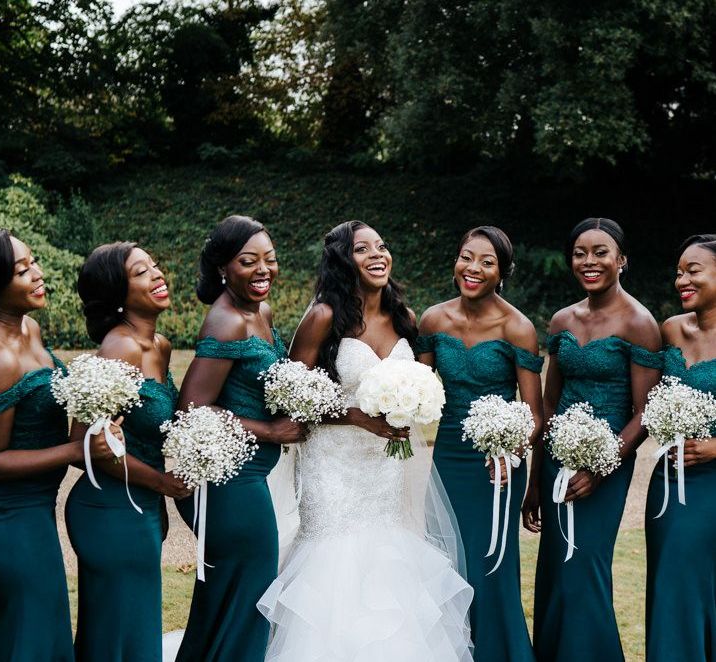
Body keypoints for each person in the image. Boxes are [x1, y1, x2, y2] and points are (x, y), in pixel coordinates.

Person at [257, 220, 474, 661]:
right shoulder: (323, 317)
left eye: (381, 245)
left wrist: (409, 407)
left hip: (383, 466)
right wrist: (358, 417)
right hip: (333, 465)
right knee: (334, 559)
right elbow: (291, 398)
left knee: (385, 556)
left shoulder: (404, 317)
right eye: (362, 249)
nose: (377, 255)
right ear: (343, 260)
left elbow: (415, 380)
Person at [525, 218, 662, 662]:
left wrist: (601, 465)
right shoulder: (562, 319)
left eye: (601, 252)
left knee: (584, 568)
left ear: (621, 260)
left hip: (607, 464)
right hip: (554, 462)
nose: (589, 261)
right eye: (580, 252)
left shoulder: (640, 324)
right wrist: (533, 483)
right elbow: (547, 402)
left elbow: (645, 412)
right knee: (555, 571)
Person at [169, 216, 306, 662]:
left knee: (227, 600)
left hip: (251, 476)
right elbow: (190, 408)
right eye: (249, 261)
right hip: (230, 480)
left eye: (270, 259)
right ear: (223, 268)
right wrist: (270, 429)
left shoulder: (259, 312)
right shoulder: (226, 321)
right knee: (249, 598)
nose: (263, 269)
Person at [417, 226, 543, 661]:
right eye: (467, 257)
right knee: (446, 562)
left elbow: (534, 413)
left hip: (498, 464)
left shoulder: (518, 327)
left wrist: (511, 454)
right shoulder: (433, 320)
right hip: (448, 456)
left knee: (492, 568)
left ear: (502, 272)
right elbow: (416, 388)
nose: (473, 269)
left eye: (487, 262)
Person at [66, 242, 190, 662]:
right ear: (117, 293)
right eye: (141, 272)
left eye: (155, 265)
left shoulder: (161, 345)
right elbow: (83, 444)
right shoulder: (121, 347)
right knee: (119, 633)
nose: (157, 274)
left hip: (142, 503)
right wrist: (162, 483)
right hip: (109, 509)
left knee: (132, 631)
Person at [0, 229, 112, 660]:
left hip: (39, 511)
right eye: (22, 270)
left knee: (35, 630)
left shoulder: (31, 328)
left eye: (34, 262)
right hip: (8, 518)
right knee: (33, 635)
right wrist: (74, 452)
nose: (38, 274)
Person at [645, 234, 716, 662]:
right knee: (667, 583)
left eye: (694, 270)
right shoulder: (670, 329)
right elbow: (646, 401)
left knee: (690, 582)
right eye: (679, 271)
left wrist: (714, 448)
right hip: (666, 484)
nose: (681, 280)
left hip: (711, 485)